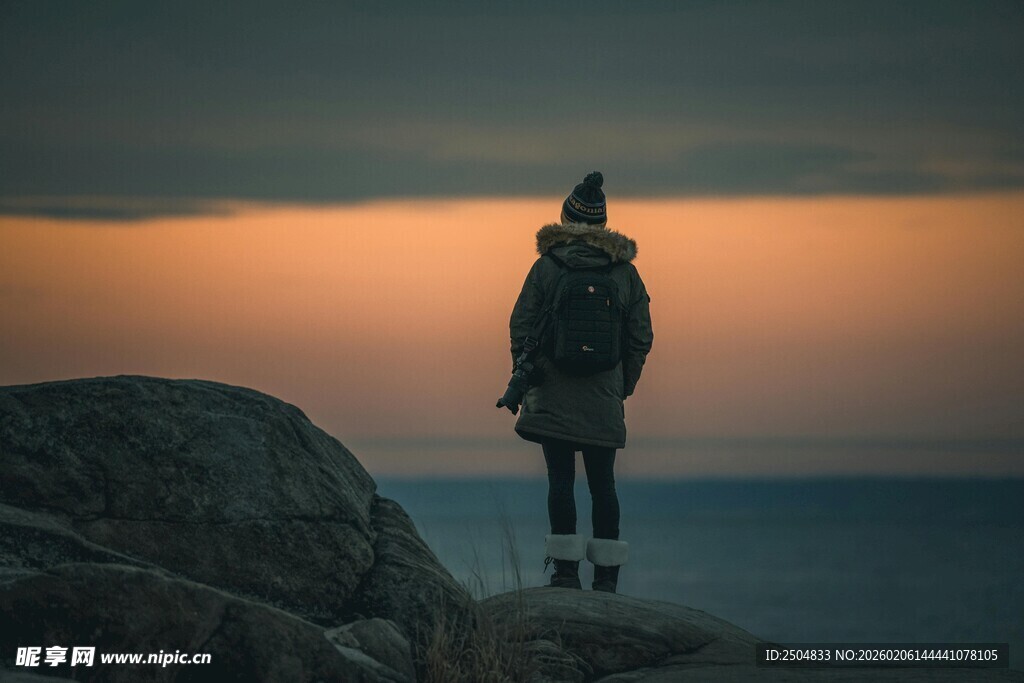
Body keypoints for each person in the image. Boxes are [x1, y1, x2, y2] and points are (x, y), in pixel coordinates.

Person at [507, 171, 654, 593]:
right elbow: (641, 338)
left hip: (553, 394)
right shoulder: (625, 274)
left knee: (560, 481)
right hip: (603, 398)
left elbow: (520, 326)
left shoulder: (547, 267)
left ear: (565, 219)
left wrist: (528, 375)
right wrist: (622, 386)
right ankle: (606, 578)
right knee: (603, 485)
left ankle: (566, 573)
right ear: (603, 223)